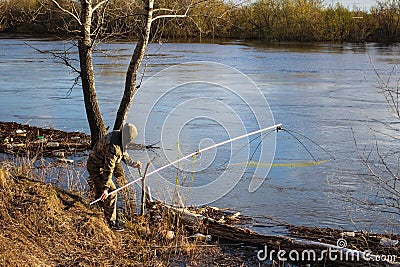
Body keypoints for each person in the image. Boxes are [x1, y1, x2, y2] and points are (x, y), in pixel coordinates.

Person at [87, 123, 142, 231]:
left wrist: (133, 163)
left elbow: (123, 153)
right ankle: (111, 222)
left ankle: (99, 212)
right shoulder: (113, 147)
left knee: (100, 192)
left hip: (100, 164)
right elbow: (108, 169)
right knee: (112, 192)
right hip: (96, 166)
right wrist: (106, 189)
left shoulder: (119, 136)